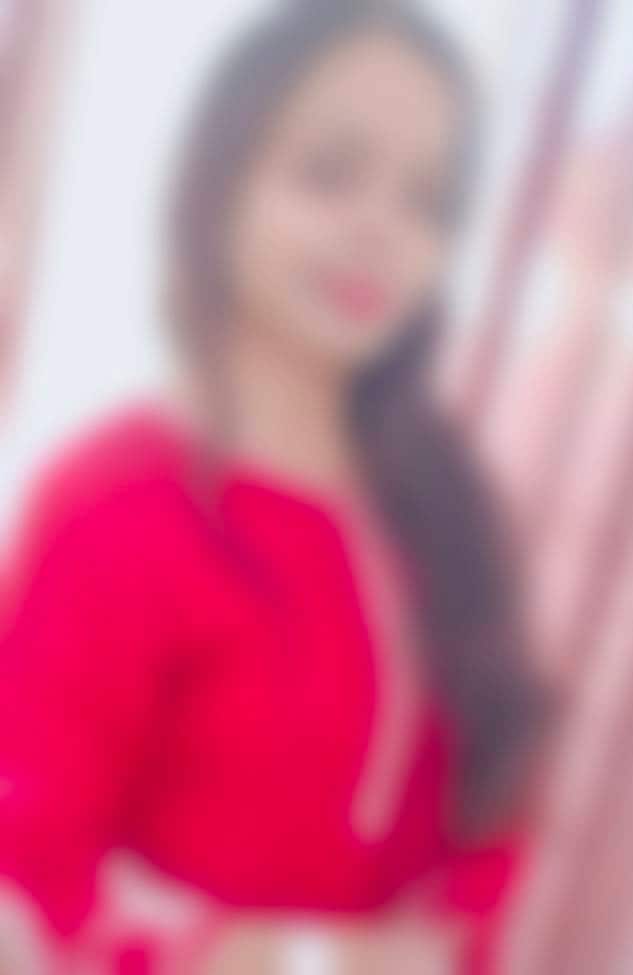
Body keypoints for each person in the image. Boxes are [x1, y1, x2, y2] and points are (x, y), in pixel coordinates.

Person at [0, 1, 561, 972]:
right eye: (328, 173)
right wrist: (304, 959)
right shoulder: (118, 503)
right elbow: (29, 881)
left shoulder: (447, 500)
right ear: (221, 180)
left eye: (425, 202)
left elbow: (493, 817)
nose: (378, 230)